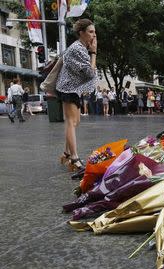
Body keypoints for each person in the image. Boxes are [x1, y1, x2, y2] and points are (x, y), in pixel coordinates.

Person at [56, 18, 97, 171]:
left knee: (75, 121)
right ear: (81, 33)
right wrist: (93, 53)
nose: (94, 35)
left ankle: (66, 154)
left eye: (94, 32)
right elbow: (90, 73)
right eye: (91, 32)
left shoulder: (80, 47)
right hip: (68, 89)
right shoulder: (78, 49)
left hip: (72, 88)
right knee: (71, 122)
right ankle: (74, 157)